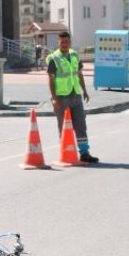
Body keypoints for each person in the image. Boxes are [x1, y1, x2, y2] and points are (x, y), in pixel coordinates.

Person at [46, 31, 99, 163]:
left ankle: (85, 153)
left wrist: (85, 91)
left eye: (67, 42)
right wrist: (53, 98)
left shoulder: (75, 55)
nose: (64, 44)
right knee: (63, 126)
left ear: (70, 42)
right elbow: (51, 80)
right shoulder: (54, 58)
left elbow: (79, 74)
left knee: (81, 125)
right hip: (61, 97)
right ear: (58, 42)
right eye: (62, 42)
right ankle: (65, 152)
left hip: (76, 95)